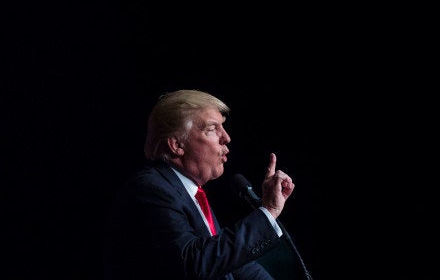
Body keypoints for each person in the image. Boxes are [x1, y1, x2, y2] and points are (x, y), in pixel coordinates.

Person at [103, 89, 296, 280]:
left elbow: (235, 267)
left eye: (223, 127)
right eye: (212, 129)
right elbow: (196, 263)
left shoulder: (189, 193)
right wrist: (268, 210)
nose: (226, 138)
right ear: (177, 145)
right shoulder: (152, 189)